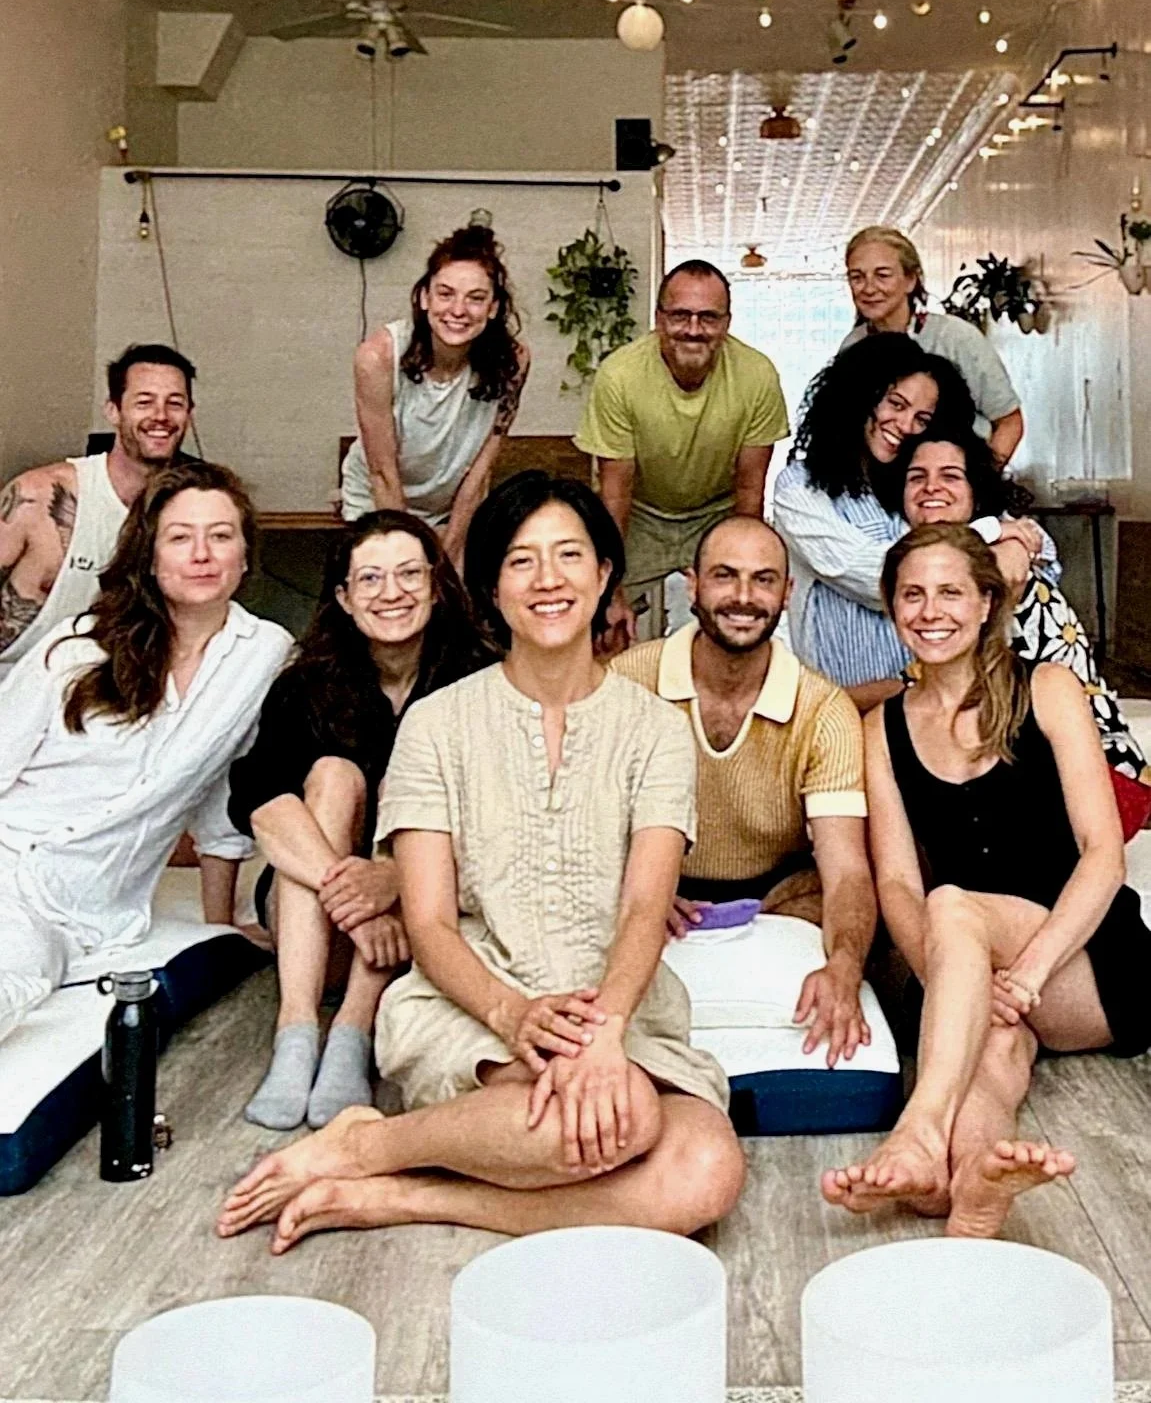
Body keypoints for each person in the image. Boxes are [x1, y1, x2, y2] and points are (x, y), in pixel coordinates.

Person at [217, 471, 744, 1253]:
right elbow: (426, 919)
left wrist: (600, 1035)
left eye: (569, 555)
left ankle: (395, 1185)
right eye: (521, 561)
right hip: (471, 1004)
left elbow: (644, 908)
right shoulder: (437, 726)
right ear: (491, 588)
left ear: (604, 576)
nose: (548, 579)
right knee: (619, 1119)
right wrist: (511, 1014)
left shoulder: (655, 730)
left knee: (705, 1171)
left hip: (620, 1009)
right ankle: (378, 1144)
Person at [823, 524, 1151, 1237]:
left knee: (955, 907)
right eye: (911, 594)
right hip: (976, 963)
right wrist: (957, 986)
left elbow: (1102, 855)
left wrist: (1026, 977)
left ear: (983, 604)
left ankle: (916, 1128)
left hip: (1086, 965)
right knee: (989, 1053)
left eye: (949, 592)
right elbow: (897, 885)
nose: (929, 610)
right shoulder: (881, 729)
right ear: (890, 607)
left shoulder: (1047, 687)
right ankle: (967, 1181)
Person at [0, 461, 292, 1046]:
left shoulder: (264, 652)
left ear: (244, 553)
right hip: (8, 856)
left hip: (74, 911)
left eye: (221, 535)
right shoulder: (76, 650)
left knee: (16, 975)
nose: (202, 554)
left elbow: (220, 795)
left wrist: (220, 929)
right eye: (180, 537)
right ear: (149, 555)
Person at [228, 510, 495, 1131]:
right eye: (370, 579)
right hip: (319, 928)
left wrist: (396, 883)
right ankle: (295, 1030)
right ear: (345, 598)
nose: (392, 592)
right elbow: (257, 797)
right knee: (333, 777)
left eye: (408, 574)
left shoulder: (480, 677)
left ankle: (352, 1029)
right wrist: (356, 895)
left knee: (421, 822)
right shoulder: (306, 683)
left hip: (428, 917)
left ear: (436, 583)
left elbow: (496, 818)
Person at [611, 514, 877, 1068]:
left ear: (787, 592)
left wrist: (845, 968)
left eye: (763, 580)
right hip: (649, 886)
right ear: (693, 585)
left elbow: (848, 870)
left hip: (779, 898)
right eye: (725, 576)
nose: (743, 597)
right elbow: (580, 826)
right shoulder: (626, 683)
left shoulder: (823, 710)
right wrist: (630, 891)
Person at [894, 428, 1151, 837]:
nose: (931, 487)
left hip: (1097, 779)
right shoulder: (954, 564)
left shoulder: (994, 566)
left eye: (950, 476)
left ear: (976, 493)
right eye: (916, 476)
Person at [574, 259, 788, 646]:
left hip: (716, 512)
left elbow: (750, 492)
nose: (693, 329)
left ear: (726, 322)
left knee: (733, 621)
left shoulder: (757, 375)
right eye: (680, 316)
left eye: (708, 317)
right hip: (638, 513)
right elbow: (615, 493)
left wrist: (741, 572)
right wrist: (610, 589)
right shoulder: (620, 375)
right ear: (659, 318)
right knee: (597, 619)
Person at [774, 333, 985, 691]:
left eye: (922, 419)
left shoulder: (923, 483)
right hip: (842, 702)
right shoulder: (800, 486)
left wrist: (1011, 544)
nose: (905, 426)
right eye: (896, 404)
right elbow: (871, 576)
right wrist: (986, 554)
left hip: (933, 700)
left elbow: (1039, 547)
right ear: (858, 396)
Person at [0, 343, 196, 684]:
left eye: (175, 403)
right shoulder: (38, 496)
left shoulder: (190, 511)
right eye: (144, 402)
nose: (161, 416)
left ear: (189, 415)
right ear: (113, 411)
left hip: (107, 699)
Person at [341, 225, 531, 566]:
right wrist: (411, 556)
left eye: (475, 298)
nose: (458, 310)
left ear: (493, 307)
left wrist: (451, 552)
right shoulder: (378, 357)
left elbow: (479, 473)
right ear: (424, 298)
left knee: (458, 598)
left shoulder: (513, 362)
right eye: (445, 294)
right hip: (379, 502)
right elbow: (382, 474)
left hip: (450, 508)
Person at [840, 226, 1024, 464]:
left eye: (882, 275)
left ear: (910, 280)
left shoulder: (956, 337)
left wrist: (977, 486)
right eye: (857, 277)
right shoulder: (852, 347)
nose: (868, 288)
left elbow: (1009, 422)